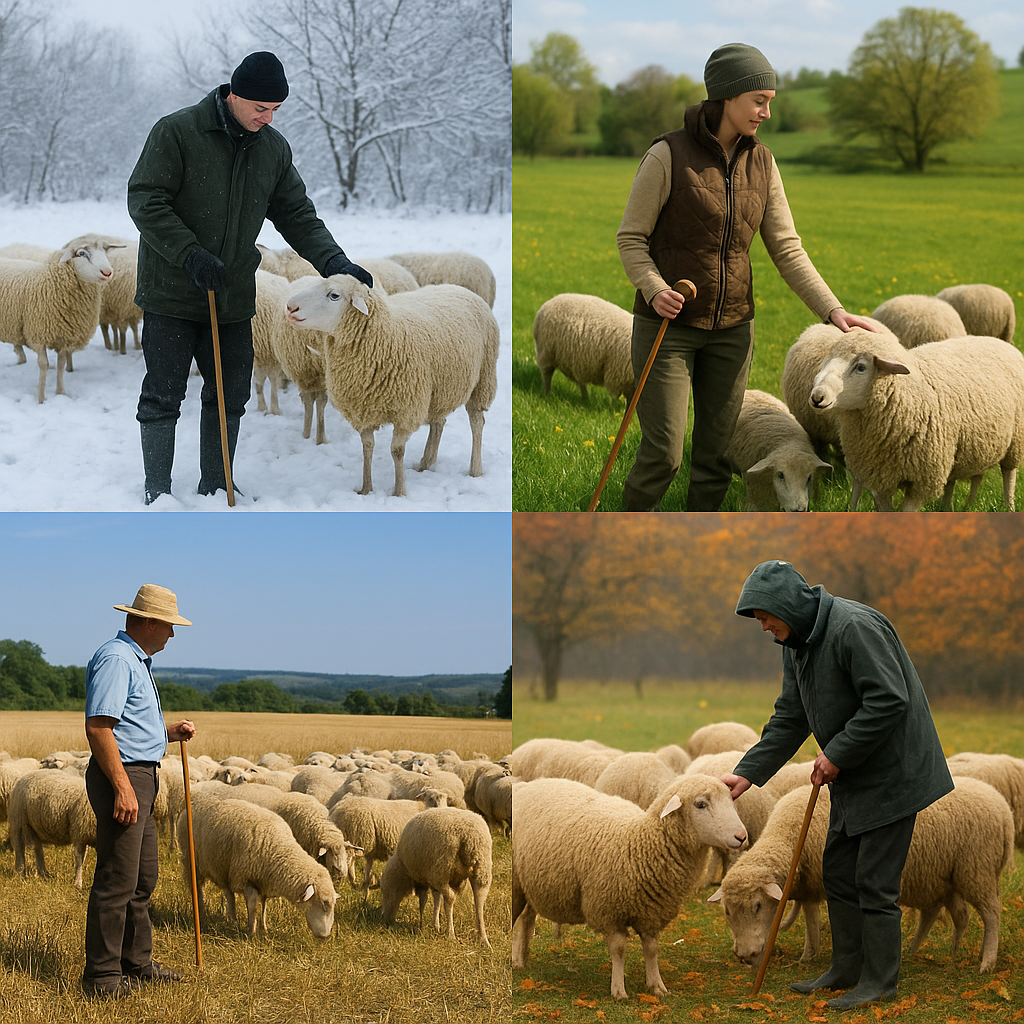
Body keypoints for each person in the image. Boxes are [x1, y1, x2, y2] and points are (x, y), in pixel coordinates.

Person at [616, 43, 878, 512]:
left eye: (770, 101)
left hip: (733, 331)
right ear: (727, 96)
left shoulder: (764, 163)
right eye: (759, 100)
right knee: (664, 454)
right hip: (668, 329)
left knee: (716, 455)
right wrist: (655, 290)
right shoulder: (667, 154)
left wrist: (833, 311)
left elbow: (787, 248)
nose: (766, 113)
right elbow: (631, 239)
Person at [128, 51, 372, 504]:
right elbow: (145, 200)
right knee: (163, 394)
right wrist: (189, 253)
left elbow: (296, 214)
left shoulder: (272, 149)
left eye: (276, 109)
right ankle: (157, 487)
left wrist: (334, 262)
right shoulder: (177, 132)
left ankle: (217, 481)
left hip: (232, 295)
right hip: (171, 294)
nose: (268, 117)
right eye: (261, 108)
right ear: (234, 95)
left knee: (228, 395)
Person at [721, 560, 953, 1009]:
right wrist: (748, 771)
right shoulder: (796, 643)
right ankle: (847, 968)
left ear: (786, 605)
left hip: (893, 773)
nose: (763, 627)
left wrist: (837, 753)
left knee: (874, 881)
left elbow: (888, 699)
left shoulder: (854, 628)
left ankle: (879, 981)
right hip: (852, 775)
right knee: (838, 872)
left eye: (765, 617)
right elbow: (792, 715)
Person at [82, 584, 196, 999]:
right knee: (117, 880)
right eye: (168, 625)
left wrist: (167, 732)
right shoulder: (117, 659)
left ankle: (136, 964)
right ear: (148, 622)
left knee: (142, 878)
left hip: (140, 776)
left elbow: (127, 725)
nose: (172, 633)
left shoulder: (135, 660)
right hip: (125, 778)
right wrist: (122, 788)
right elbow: (99, 727)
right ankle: (102, 978)